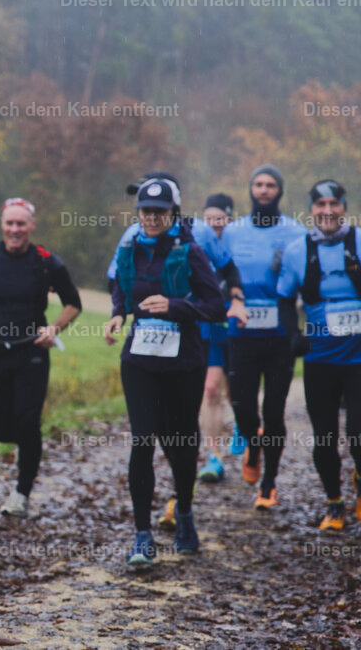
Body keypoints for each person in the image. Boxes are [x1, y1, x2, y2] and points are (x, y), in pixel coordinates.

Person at [106, 175, 248, 527]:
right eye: (145, 211)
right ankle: (142, 535)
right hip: (138, 359)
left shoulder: (192, 248)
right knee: (143, 440)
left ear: (174, 212)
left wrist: (174, 306)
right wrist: (117, 315)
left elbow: (215, 306)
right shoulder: (129, 246)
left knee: (181, 440)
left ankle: (183, 507)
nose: (151, 217)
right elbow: (122, 288)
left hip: (184, 358)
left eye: (159, 211)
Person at [0, 197, 82, 517]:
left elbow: (73, 303)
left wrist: (54, 329)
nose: (15, 229)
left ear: (31, 226)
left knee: (28, 422)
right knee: (1, 429)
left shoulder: (45, 261)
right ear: (2, 225)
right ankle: (28, 448)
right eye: (10, 223)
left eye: (21, 223)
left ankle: (21, 494)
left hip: (32, 352)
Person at [277, 180, 361, 530]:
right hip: (320, 358)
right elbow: (284, 298)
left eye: (333, 204)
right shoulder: (297, 250)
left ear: (344, 206)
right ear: (311, 209)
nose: (327, 211)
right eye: (320, 205)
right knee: (324, 434)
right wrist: (293, 335)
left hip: (358, 358)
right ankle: (334, 503)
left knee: (358, 431)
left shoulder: (358, 241)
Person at [222, 165, 307, 510]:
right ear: (250, 191)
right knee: (243, 408)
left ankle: (269, 483)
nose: (264, 190)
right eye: (258, 184)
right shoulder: (231, 232)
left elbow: (305, 279)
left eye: (271, 184)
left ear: (279, 191)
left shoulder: (296, 233)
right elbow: (217, 273)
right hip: (240, 332)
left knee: (274, 411)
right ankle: (252, 444)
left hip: (279, 335)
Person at [197, 193, 249, 483]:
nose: (214, 223)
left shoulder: (237, 246)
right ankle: (213, 457)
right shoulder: (197, 244)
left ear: (229, 219)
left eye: (220, 218)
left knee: (237, 391)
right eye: (209, 218)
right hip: (210, 327)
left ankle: (244, 425)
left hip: (239, 327)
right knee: (210, 389)